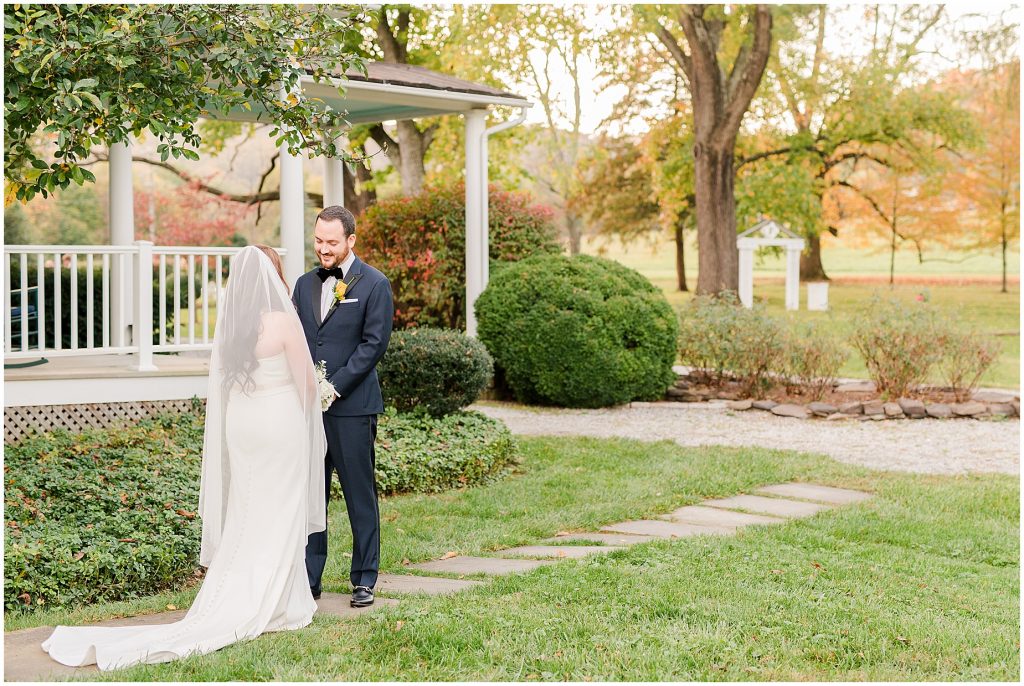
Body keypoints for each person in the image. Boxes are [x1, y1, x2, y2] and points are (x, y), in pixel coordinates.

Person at [41, 246, 327, 671]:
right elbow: (305, 383)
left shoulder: (233, 326)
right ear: (274, 276)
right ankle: (279, 602)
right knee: (279, 507)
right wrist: (316, 406)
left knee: (247, 508)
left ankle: (254, 590)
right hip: (277, 423)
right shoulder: (283, 322)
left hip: (242, 424)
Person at [292, 205, 393, 608]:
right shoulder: (302, 285)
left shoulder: (374, 284)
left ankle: (364, 578)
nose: (323, 249)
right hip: (307, 411)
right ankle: (309, 579)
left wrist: (332, 388)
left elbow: (373, 345)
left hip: (352, 408)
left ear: (351, 240)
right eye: (318, 240)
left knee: (359, 494)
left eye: (332, 242)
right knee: (312, 495)